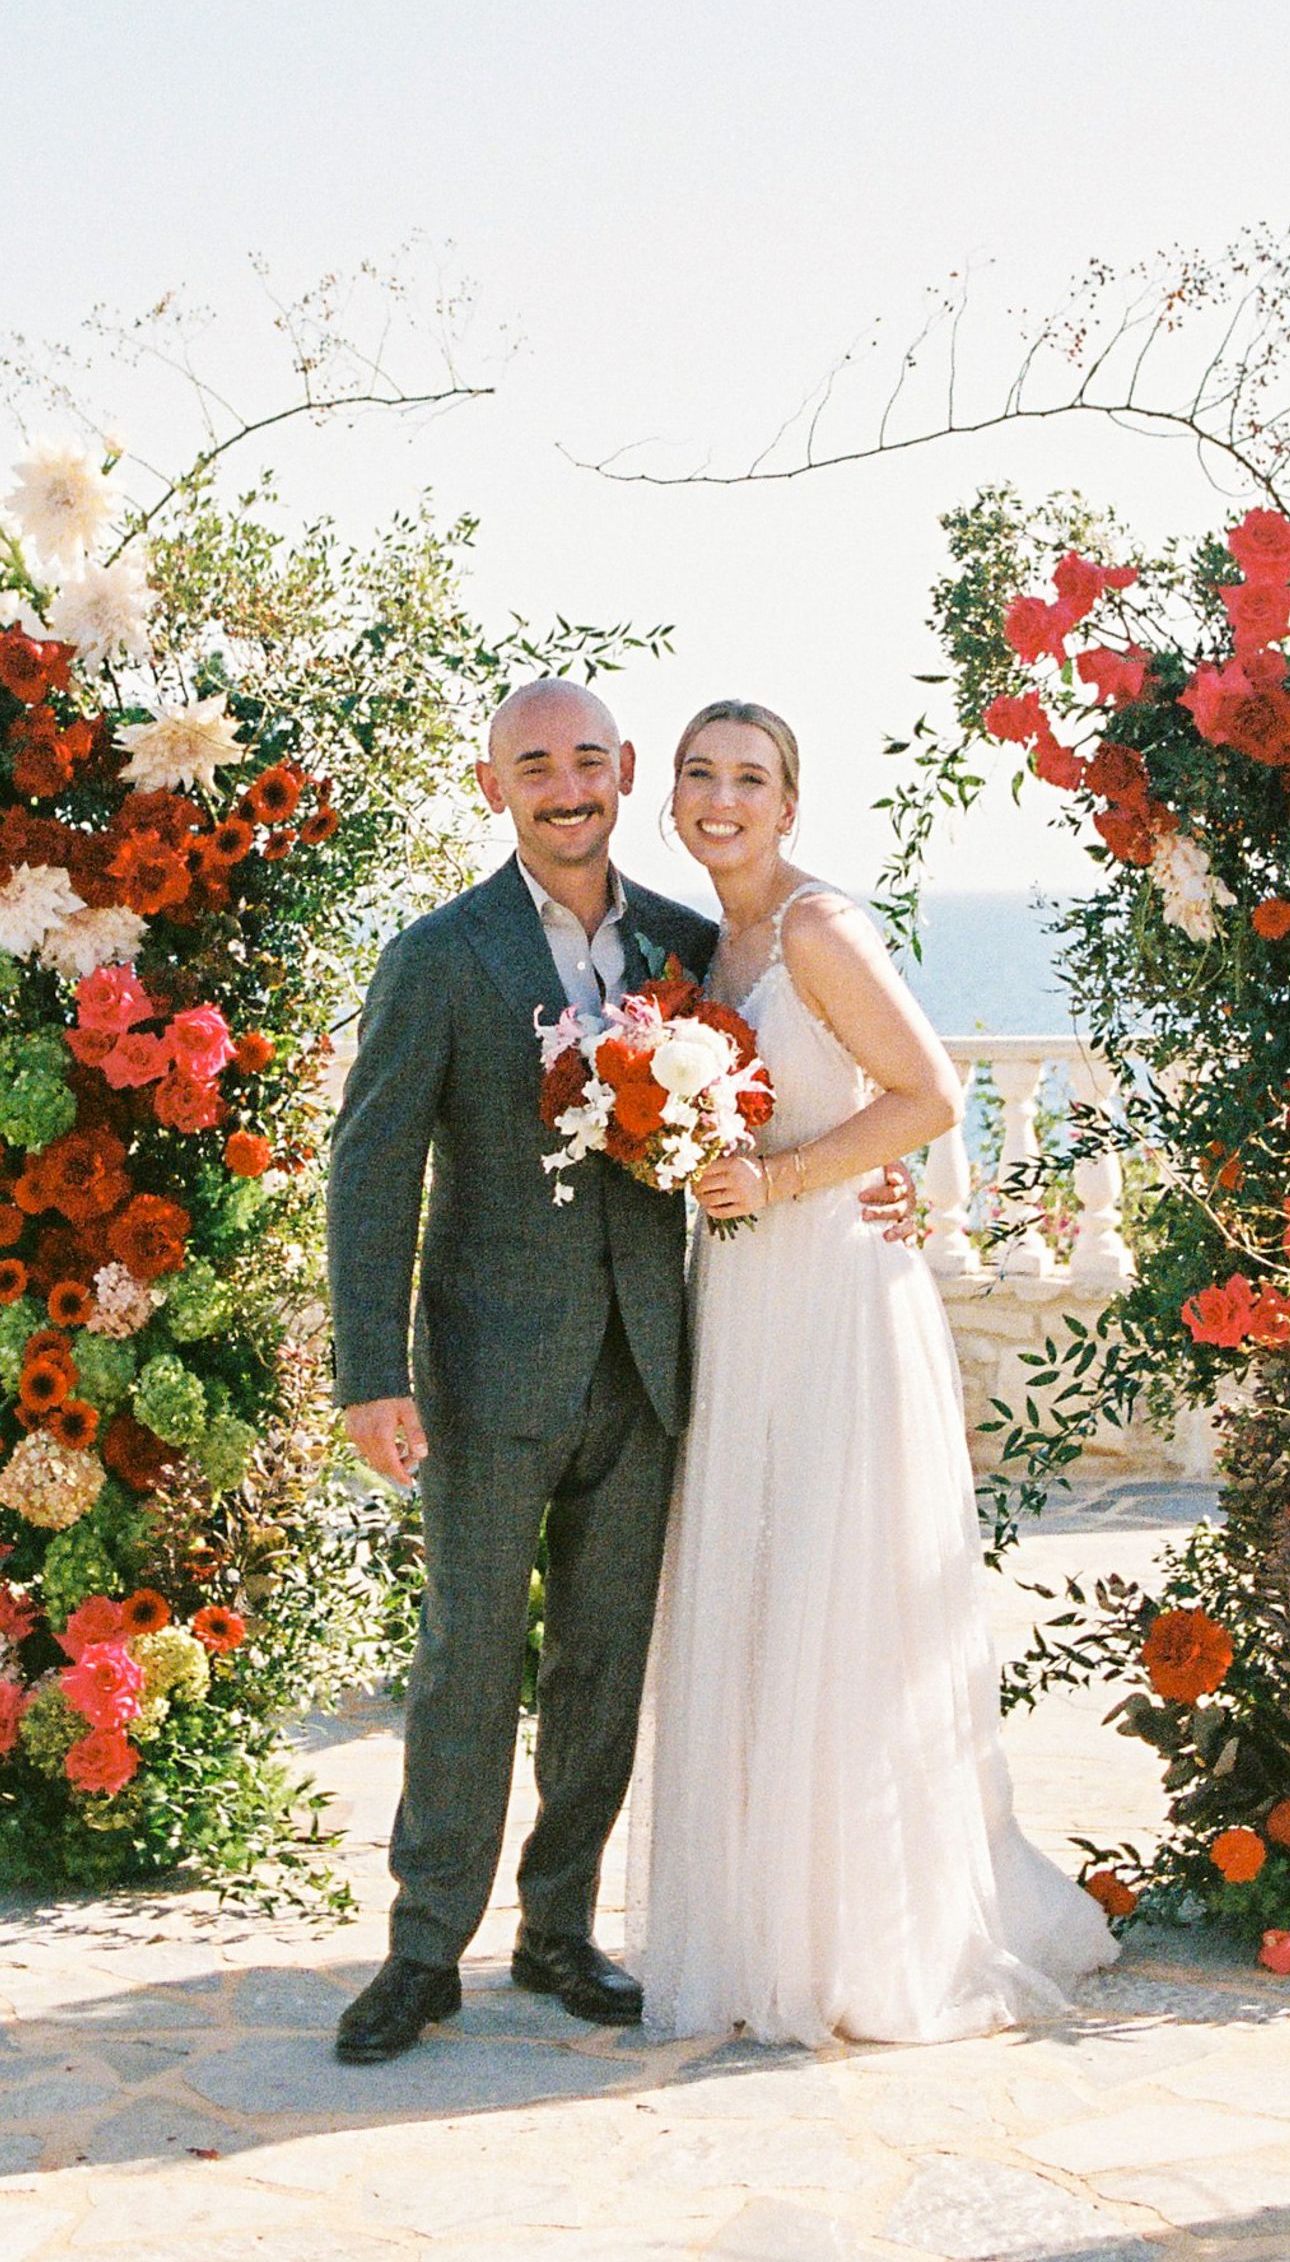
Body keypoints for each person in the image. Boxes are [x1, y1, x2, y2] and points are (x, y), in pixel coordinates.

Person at [325, 678, 915, 2064]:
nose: (568, 783)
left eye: (590, 758)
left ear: (627, 770)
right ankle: (424, 1952)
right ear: (496, 789)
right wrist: (370, 1371)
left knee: (603, 1666)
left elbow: (840, 1078)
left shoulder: (689, 945)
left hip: (654, 1365)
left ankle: (556, 1928)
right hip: (484, 1369)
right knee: (468, 1662)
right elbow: (371, 1169)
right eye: (537, 764)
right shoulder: (439, 956)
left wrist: (893, 1189)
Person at [630, 699, 1118, 2046]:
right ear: (671, 799)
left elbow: (932, 1097)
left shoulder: (814, 930)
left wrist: (783, 1177)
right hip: (739, 1288)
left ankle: (862, 1935)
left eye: (750, 779)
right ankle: (763, 1918)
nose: (721, 798)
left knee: (837, 1593)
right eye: (700, 775)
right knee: (762, 1584)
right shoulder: (695, 946)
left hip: (836, 1284)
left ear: (789, 805)